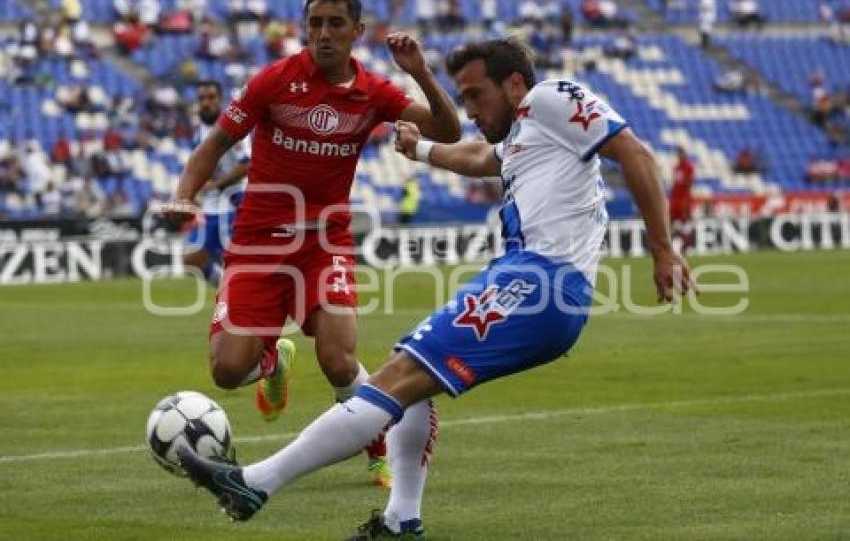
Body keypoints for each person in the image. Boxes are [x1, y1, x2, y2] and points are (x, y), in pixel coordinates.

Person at [175, 38, 692, 539]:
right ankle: (402, 519)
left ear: (515, 84)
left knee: (395, 377)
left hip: (539, 281)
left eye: (474, 95)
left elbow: (637, 155)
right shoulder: (522, 138)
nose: (468, 109)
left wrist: (663, 249)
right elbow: (475, 159)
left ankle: (254, 483)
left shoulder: (550, 97)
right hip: (527, 280)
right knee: (412, 376)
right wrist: (419, 148)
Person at [161, 0, 461, 489]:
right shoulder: (275, 81)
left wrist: (423, 75)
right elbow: (215, 143)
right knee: (228, 372)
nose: (323, 34)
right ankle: (273, 358)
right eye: (315, 23)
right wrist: (185, 195)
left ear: (357, 33)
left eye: (335, 24)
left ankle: (376, 446)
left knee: (340, 359)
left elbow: (448, 131)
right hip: (257, 244)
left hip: (324, 243)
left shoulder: (374, 92)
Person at [182, 80, 250, 287]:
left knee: (237, 263)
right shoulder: (199, 133)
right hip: (211, 208)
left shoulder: (233, 129)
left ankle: (239, 299)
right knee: (192, 259)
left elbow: (247, 165)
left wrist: (214, 185)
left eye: (210, 98)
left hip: (235, 203)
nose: (205, 103)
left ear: (220, 100)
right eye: (201, 98)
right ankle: (228, 292)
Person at [669, 146, 695, 251]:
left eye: (681, 154)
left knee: (686, 223)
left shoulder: (688, 168)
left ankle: (687, 245)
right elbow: (675, 185)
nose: (679, 156)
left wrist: (685, 201)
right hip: (675, 200)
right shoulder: (676, 168)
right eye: (678, 154)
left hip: (684, 200)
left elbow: (688, 184)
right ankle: (678, 245)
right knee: (674, 223)